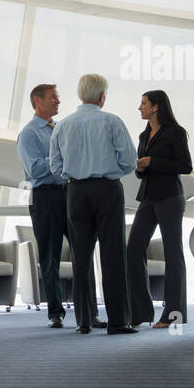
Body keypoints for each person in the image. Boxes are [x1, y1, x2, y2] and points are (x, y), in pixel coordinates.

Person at [48, 73, 138, 334]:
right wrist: (111, 171)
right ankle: (118, 322)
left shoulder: (63, 126)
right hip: (107, 190)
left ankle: (83, 322)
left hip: (75, 192)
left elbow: (55, 166)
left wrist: (74, 175)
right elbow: (130, 160)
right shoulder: (112, 121)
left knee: (81, 257)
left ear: (80, 95)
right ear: (102, 96)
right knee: (113, 257)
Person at [16, 84, 100, 330]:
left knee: (82, 252)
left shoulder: (62, 128)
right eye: (53, 97)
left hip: (69, 193)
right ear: (37, 100)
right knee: (50, 256)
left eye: (58, 98)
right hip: (44, 197)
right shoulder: (29, 133)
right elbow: (35, 169)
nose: (58, 102)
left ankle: (90, 312)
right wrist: (60, 158)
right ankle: (56, 312)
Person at [127, 90, 192, 328]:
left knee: (173, 254)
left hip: (170, 198)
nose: (139, 107)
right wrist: (141, 168)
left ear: (155, 107)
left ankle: (174, 315)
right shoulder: (144, 135)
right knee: (133, 248)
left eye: (143, 103)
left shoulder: (176, 133)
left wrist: (154, 162)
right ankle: (140, 312)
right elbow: (139, 170)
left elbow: (185, 166)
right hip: (148, 198)